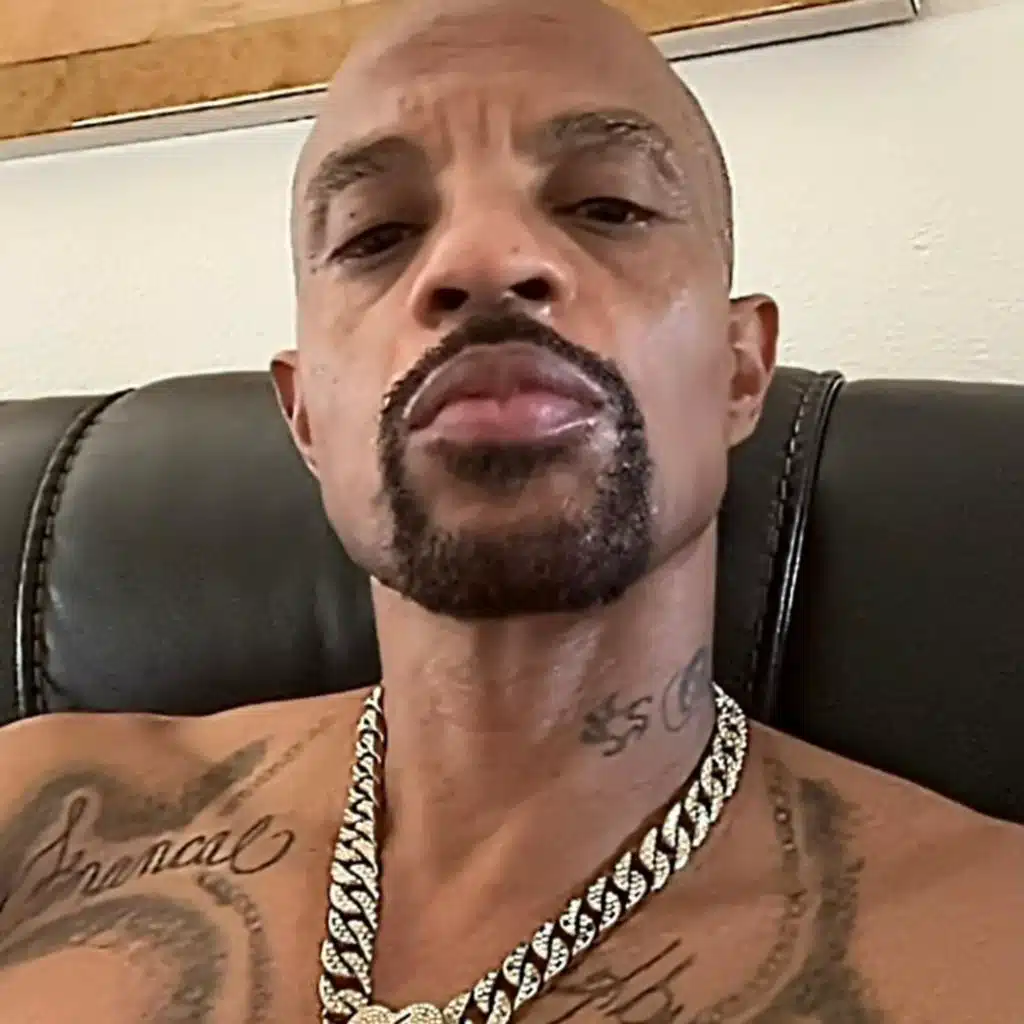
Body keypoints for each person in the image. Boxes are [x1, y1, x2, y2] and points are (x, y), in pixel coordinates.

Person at [1, 0, 1021, 1021]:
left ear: (739, 371)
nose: (482, 260)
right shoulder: (39, 812)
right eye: (378, 234)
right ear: (305, 416)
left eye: (607, 206)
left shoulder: (989, 942)